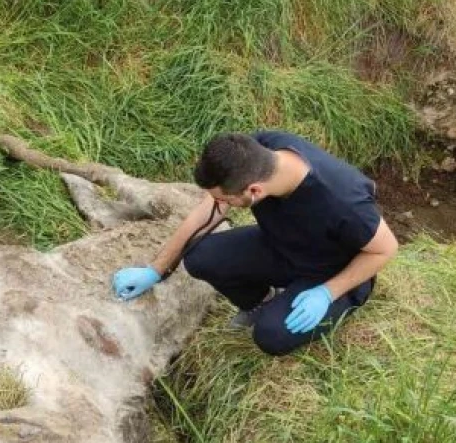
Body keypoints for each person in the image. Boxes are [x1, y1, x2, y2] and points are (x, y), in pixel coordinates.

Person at [111, 130, 398, 356]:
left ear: (255, 191)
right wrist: (156, 269)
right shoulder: (258, 149)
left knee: (270, 335)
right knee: (200, 257)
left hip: (331, 271)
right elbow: (209, 209)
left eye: (225, 200)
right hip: (282, 245)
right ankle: (263, 301)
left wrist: (327, 292)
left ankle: (325, 303)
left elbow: (386, 248)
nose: (219, 204)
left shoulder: (342, 200)